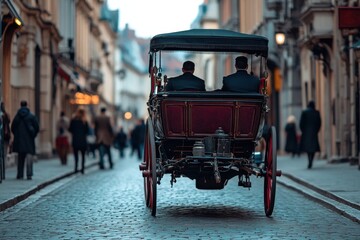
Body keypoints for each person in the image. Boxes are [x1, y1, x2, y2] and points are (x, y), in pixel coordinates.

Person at [11, 100, 39, 180]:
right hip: (29, 140)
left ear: (20, 105)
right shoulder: (31, 116)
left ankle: (20, 174)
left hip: (19, 141)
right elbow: (37, 127)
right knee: (29, 158)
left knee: (20, 158)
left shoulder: (17, 116)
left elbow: (13, 127)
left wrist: (17, 135)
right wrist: (33, 135)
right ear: (27, 105)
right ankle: (29, 174)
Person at [299, 101, 321, 169]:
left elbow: (301, 123)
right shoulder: (316, 112)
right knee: (313, 148)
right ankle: (311, 160)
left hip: (306, 132)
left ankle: (309, 161)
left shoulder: (304, 112)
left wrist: (303, 131)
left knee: (308, 149)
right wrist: (316, 130)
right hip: (314, 132)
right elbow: (319, 123)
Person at [69, 108, 89, 174]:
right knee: (83, 156)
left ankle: (76, 168)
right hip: (83, 140)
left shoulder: (73, 120)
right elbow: (87, 131)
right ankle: (82, 169)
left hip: (75, 140)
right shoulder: (84, 121)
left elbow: (70, 129)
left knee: (76, 156)